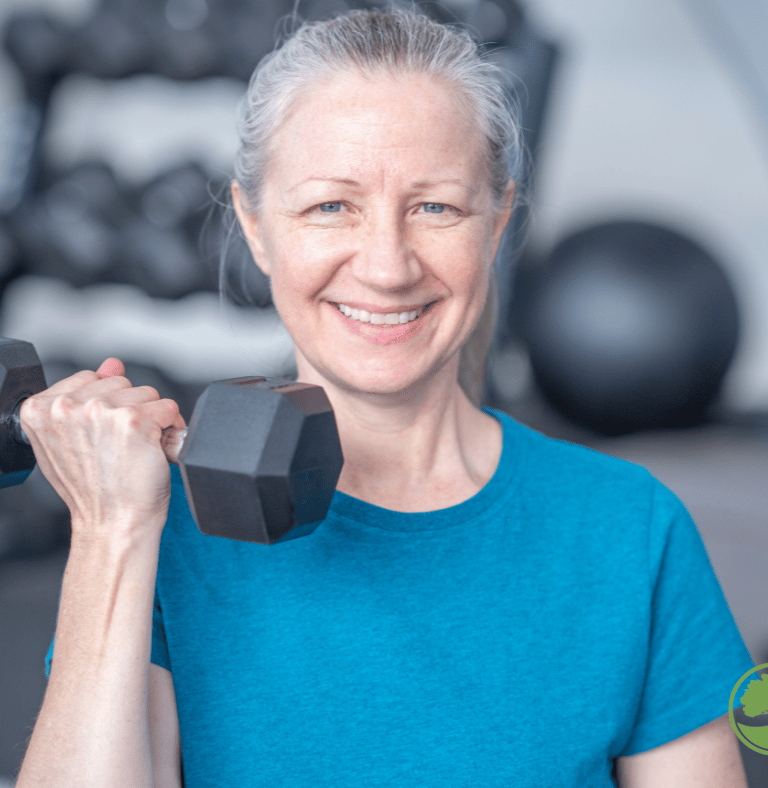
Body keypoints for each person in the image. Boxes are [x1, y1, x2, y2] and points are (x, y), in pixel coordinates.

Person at [15, 7, 753, 787]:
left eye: (435, 206)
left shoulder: (626, 527)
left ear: (496, 226)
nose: (388, 266)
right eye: (331, 205)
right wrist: (110, 530)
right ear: (256, 226)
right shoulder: (158, 526)